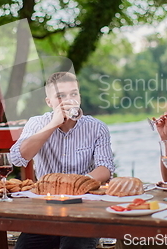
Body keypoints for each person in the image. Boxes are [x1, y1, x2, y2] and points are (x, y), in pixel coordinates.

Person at [10, 71, 115, 249]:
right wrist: (53, 125)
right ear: (49, 102)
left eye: (74, 94)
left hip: (85, 208)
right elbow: (18, 158)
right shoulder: (36, 123)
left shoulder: (97, 127)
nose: (69, 100)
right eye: (60, 96)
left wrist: (75, 185)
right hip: (45, 208)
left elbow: (105, 168)